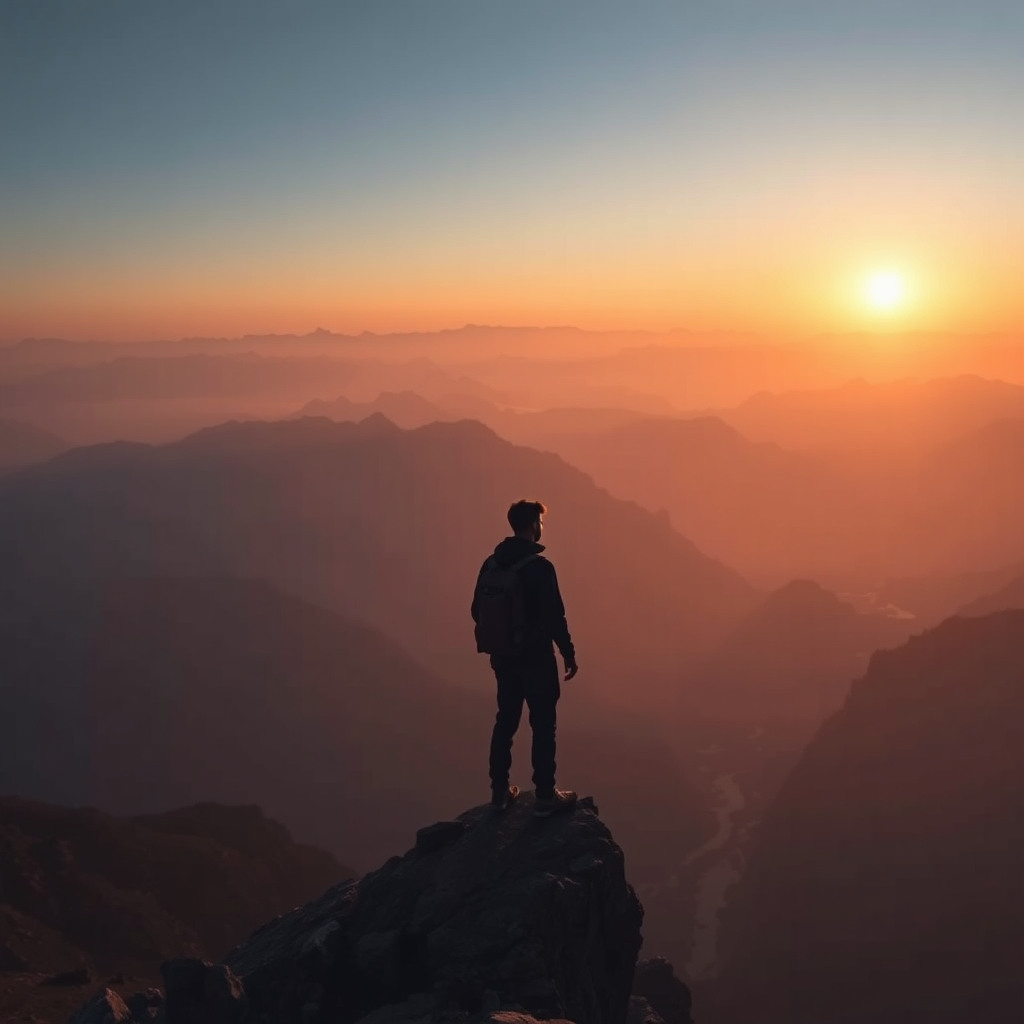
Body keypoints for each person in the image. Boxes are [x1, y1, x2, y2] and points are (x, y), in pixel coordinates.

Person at [471, 499, 579, 817]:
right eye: (540, 522)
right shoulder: (540, 568)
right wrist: (568, 653)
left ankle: (499, 793)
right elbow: (555, 616)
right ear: (533, 525)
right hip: (536, 658)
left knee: (505, 720)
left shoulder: (491, 564)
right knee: (543, 724)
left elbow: (476, 610)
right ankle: (545, 796)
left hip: (503, 657)